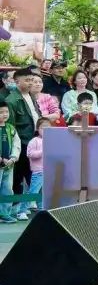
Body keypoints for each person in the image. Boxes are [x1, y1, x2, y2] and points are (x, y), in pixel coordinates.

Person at [5, 68, 40, 197]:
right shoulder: (12, 100)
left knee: (34, 173)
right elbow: (10, 127)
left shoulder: (31, 95)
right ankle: (16, 204)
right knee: (18, 176)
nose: (30, 83)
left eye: (31, 80)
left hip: (35, 139)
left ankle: (32, 201)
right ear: (17, 81)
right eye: (27, 80)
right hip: (22, 141)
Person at [16, 117, 47, 220]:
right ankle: (22, 211)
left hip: (48, 171)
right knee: (33, 192)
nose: (45, 130)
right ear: (37, 129)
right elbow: (30, 154)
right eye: (43, 128)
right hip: (38, 171)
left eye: (48, 128)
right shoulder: (34, 141)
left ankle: (42, 209)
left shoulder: (51, 140)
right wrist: (42, 151)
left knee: (42, 192)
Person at [0, 101, 20, 224]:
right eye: (1, 112)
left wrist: (13, 158)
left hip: (8, 166)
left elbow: (17, 144)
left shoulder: (10, 128)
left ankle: (4, 213)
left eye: (6, 111)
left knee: (7, 189)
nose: (4, 114)